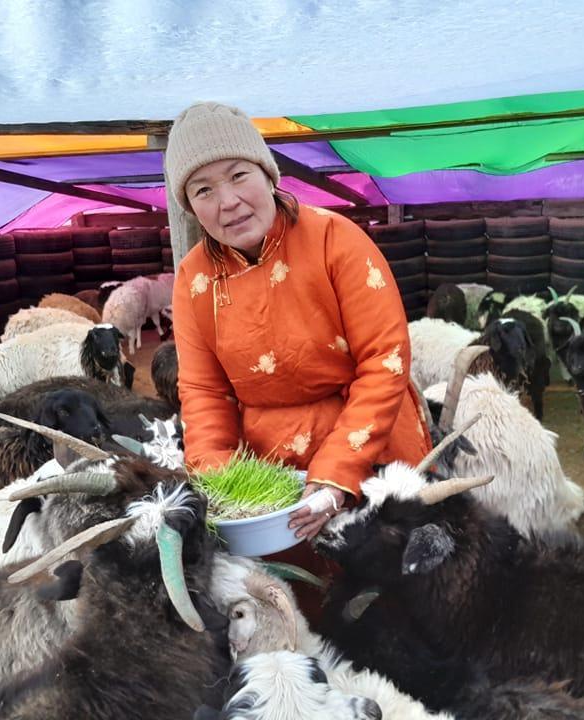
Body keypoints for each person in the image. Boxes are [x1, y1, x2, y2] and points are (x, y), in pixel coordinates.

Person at [166, 102, 432, 542]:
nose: (227, 202)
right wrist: (223, 489)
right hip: (270, 469)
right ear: (191, 207)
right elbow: (203, 392)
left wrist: (335, 474)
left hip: (374, 447)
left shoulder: (335, 239)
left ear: (268, 175)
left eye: (238, 175)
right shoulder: (194, 278)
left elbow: (384, 360)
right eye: (203, 190)